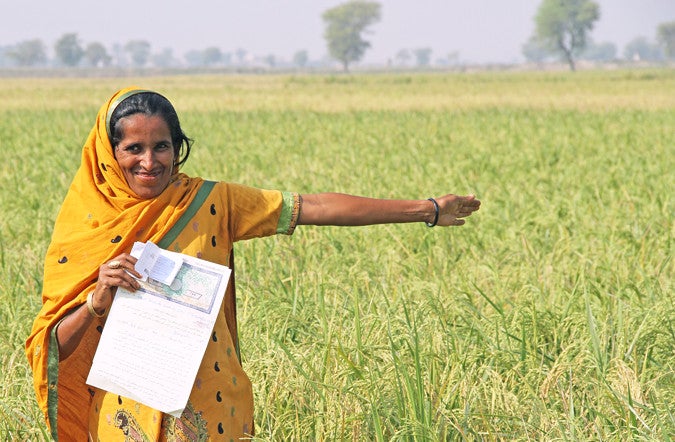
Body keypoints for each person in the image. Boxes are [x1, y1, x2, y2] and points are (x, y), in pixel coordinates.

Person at [26, 86, 480, 441]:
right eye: (133, 149)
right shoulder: (86, 229)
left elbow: (314, 207)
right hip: (124, 418)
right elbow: (54, 350)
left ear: (177, 147)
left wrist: (426, 210)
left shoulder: (210, 201)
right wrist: (97, 299)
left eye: (162, 146)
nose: (150, 162)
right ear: (109, 154)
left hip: (211, 406)